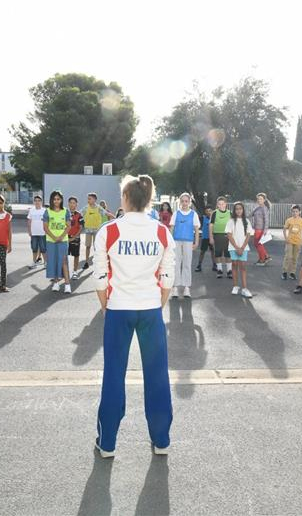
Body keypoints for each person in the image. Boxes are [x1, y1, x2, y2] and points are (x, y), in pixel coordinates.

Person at [93, 174, 175, 458]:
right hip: (150, 309)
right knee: (157, 376)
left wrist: (107, 306)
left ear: (126, 199)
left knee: (114, 375)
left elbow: (100, 278)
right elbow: (167, 279)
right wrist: (156, 303)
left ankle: (107, 443)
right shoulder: (162, 231)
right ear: (148, 200)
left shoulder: (109, 230)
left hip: (118, 309)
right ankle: (162, 440)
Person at [170, 192, 200, 299]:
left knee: (187, 263)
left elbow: (196, 230)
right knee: (176, 264)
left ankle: (187, 288)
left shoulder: (193, 214)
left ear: (189, 202)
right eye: (182, 201)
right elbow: (172, 228)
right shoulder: (176, 214)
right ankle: (175, 288)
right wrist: (170, 242)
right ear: (180, 202)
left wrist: (196, 242)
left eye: (186, 201)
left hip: (188, 242)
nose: (184, 203)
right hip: (176, 241)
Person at [44, 190, 72, 293]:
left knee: (63, 262)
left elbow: (69, 226)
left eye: (58, 199)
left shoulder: (65, 211)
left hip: (63, 240)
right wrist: (54, 237)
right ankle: (56, 283)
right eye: (54, 199)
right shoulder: (47, 211)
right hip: (51, 241)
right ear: (51, 200)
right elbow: (45, 227)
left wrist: (61, 237)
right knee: (54, 261)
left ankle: (67, 285)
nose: (56, 201)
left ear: (61, 200)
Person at [226, 201, 253, 298]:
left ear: (243, 210)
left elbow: (248, 235)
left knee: (243, 267)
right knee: (234, 265)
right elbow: (229, 235)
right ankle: (235, 286)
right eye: (236, 209)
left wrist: (242, 248)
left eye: (240, 209)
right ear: (234, 210)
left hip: (243, 248)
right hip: (233, 247)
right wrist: (237, 247)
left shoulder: (247, 221)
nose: (238, 210)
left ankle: (245, 289)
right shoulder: (231, 221)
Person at [82, 193, 113, 269]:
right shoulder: (86, 208)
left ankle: (97, 263)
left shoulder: (99, 208)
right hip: (88, 230)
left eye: (90, 199)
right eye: (88, 199)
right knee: (88, 246)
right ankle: (86, 262)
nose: (88, 200)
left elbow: (106, 213)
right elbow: (79, 214)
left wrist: (116, 217)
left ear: (94, 199)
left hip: (97, 231)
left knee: (96, 247)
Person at [282, 205, 302, 281]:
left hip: (298, 242)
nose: (295, 213)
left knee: (295, 258)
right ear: (291, 212)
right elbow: (284, 229)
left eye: (296, 211)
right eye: (293, 211)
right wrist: (286, 238)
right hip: (289, 241)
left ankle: (292, 273)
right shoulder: (289, 220)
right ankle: (284, 272)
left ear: (299, 212)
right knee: (288, 257)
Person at [210, 196, 233, 279]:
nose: (221, 205)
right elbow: (211, 225)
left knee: (228, 254)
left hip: (227, 236)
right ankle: (219, 270)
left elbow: (233, 225)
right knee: (218, 254)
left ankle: (229, 271)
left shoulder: (230, 213)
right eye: (219, 204)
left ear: (225, 204)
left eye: (223, 204)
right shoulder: (214, 213)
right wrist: (211, 237)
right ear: (217, 205)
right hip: (217, 235)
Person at [251, 193, 272, 266]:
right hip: (256, 228)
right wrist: (256, 207)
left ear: (264, 200)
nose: (259, 200)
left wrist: (265, 230)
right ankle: (263, 257)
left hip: (261, 229)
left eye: (261, 199)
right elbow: (251, 214)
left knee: (258, 244)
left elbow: (266, 220)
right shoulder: (258, 207)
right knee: (257, 244)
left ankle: (264, 258)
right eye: (258, 199)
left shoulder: (264, 208)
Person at [27, 195, 47, 269]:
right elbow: (29, 221)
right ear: (34, 202)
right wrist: (29, 231)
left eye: (39, 200)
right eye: (36, 200)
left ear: (41, 202)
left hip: (42, 233)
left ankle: (46, 263)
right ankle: (34, 262)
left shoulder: (44, 211)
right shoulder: (31, 210)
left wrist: (46, 231)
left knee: (43, 249)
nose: (37, 202)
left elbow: (47, 222)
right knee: (34, 248)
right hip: (34, 233)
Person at [67, 196, 84, 280]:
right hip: (65, 238)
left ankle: (75, 272)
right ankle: (64, 272)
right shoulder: (64, 213)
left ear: (76, 204)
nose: (72, 204)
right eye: (71, 203)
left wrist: (74, 237)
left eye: (74, 203)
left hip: (75, 238)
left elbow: (81, 228)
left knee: (76, 255)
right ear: (68, 204)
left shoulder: (79, 215)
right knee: (63, 256)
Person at [195, 205, 215, 273]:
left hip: (212, 238)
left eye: (210, 211)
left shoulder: (214, 218)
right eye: (207, 211)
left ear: (212, 211)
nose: (208, 212)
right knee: (202, 252)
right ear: (205, 212)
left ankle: (215, 265)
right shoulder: (202, 218)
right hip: (205, 238)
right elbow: (196, 225)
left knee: (213, 252)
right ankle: (199, 265)